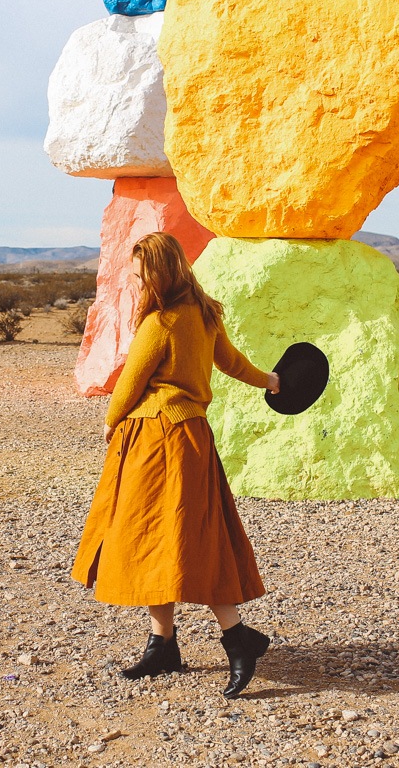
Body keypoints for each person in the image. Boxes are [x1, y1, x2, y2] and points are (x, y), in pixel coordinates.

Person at [71, 232, 279, 698]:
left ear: (162, 273)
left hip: (156, 438)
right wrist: (271, 380)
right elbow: (230, 362)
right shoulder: (205, 314)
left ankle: (237, 637)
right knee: (191, 534)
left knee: (158, 537)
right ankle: (163, 644)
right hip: (193, 436)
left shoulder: (161, 322)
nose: (136, 280)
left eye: (141, 273)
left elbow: (131, 382)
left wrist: (110, 421)